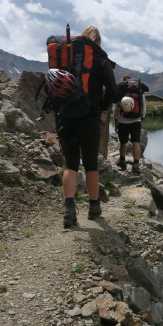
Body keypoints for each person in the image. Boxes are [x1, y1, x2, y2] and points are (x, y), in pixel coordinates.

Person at [57, 26, 116, 229]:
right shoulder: (100, 58)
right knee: (91, 164)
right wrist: (102, 107)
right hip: (89, 118)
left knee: (71, 164)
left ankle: (69, 211)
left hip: (64, 116)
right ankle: (94, 208)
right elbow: (113, 89)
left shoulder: (63, 53)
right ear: (97, 41)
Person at [113, 75, 148, 175]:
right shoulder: (139, 90)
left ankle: (122, 161)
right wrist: (142, 118)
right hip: (136, 121)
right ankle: (136, 165)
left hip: (123, 121)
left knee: (123, 143)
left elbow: (116, 109)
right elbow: (143, 105)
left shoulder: (122, 90)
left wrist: (116, 123)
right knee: (136, 142)